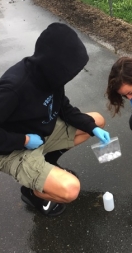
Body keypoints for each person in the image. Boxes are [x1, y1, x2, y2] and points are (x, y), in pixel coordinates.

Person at [0, 23, 111, 217]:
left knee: (97, 120)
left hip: (41, 134)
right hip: (12, 148)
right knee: (70, 189)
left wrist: (92, 128)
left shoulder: (52, 76)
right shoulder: (13, 88)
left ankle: (47, 165)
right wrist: (24, 140)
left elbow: (64, 109)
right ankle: (33, 193)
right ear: (55, 63)